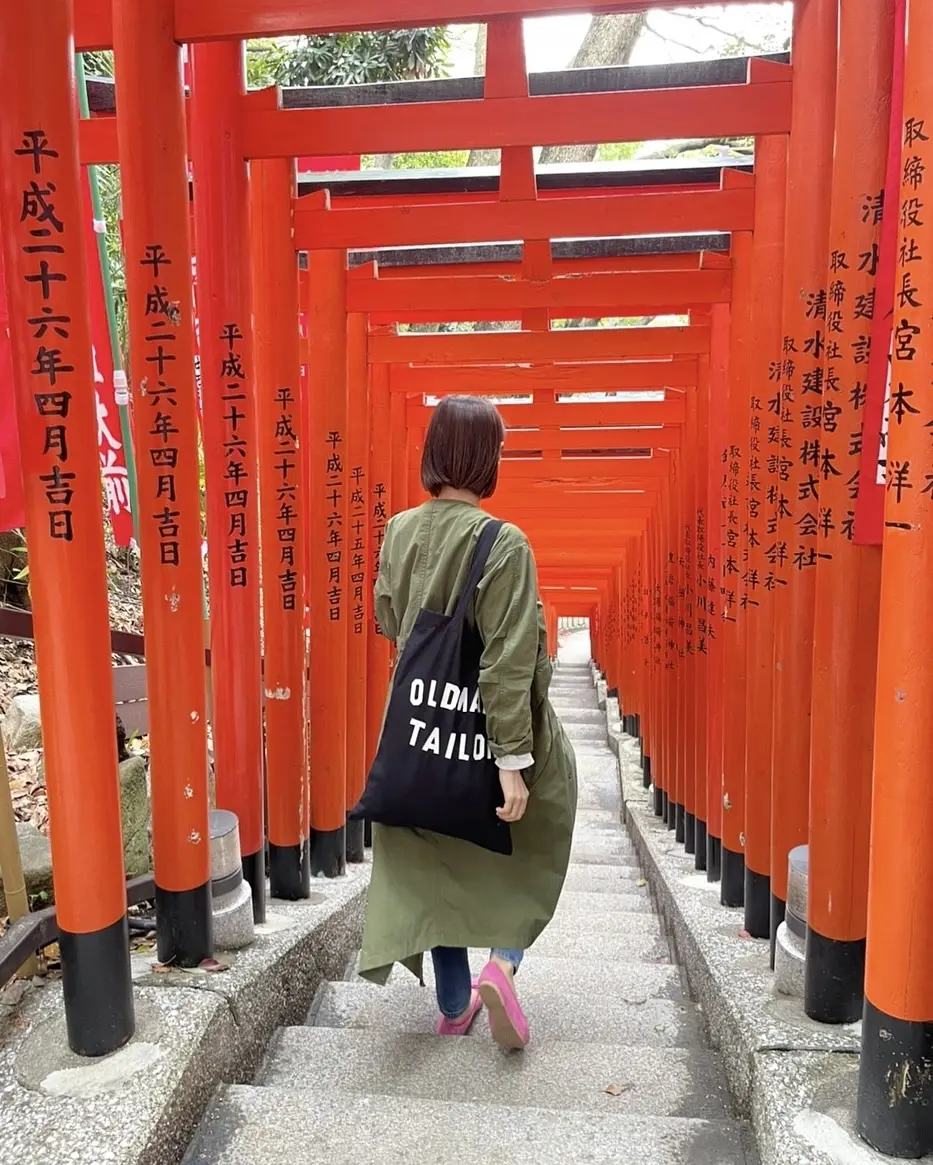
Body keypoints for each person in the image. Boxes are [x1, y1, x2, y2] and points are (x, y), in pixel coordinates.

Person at [357, 395, 578, 1050]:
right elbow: (509, 661)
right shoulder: (503, 543)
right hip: (487, 730)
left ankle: (453, 1003)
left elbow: (390, 621)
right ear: (486, 458)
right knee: (532, 836)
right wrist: (511, 761)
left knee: (433, 854)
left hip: (420, 729)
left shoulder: (397, 529)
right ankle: (502, 963)